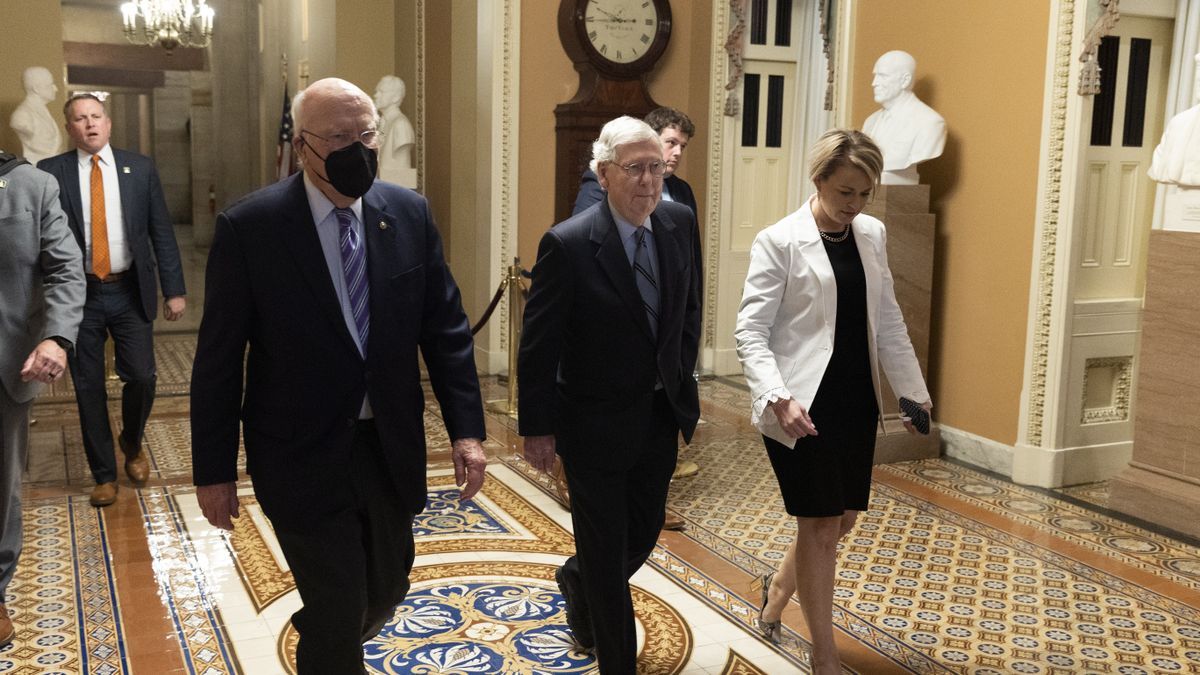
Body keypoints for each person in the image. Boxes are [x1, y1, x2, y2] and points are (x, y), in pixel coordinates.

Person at [190, 77, 487, 675]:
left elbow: (447, 331)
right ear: (302, 146)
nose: (359, 148)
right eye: (340, 137)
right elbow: (219, 359)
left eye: (367, 134)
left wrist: (467, 432)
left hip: (387, 445)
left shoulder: (408, 213)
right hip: (297, 451)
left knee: (386, 587)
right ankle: (329, 641)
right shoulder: (252, 228)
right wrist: (213, 471)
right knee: (339, 600)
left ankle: (325, 637)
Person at [734, 129, 931, 674]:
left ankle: (777, 588)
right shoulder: (779, 240)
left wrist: (912, 392)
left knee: (839, 521)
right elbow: (751, 333)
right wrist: (778, 397)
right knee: (819, 526)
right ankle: (824, 653)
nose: (855, 205)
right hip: (800, 407)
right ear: (818, 179)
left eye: (864, 193)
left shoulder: (871, 233)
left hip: (854, 400)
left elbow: (887, 317)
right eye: (845, 191)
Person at [518, 116, 702, 673]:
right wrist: (537, 426)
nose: (650, 182)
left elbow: (687, 311)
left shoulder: (677, 222)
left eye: (657, 168)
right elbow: (539, 344)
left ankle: (579, 579)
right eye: (636, 169)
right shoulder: (569, 244)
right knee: (603, 545)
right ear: (604, 174)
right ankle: (615, 660)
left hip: (656, 413)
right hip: (592, 421)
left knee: (642, 530)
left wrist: (680, 379)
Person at [37, 93, 187, 508]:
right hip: (76, 295)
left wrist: (174, 290)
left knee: (142, 376)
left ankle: (132, 441)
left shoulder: (139, 168)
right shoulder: (51, 172)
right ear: (70, 128)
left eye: (96, 117)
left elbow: (161, 232)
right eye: (81, 119)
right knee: (88, 387)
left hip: (128, 289)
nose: (90, 124)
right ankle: (104, 474)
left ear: (108, 122)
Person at [0, 149, 85, 649]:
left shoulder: (29, 185)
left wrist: (56, 337)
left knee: (0, 485)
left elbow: (65, 269)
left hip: (4, 363)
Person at [573, 106, 697, 216]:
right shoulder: (604, 179)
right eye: (672, 142)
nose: (678, 153)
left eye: (682, 146)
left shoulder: (683, 190)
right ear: (650, 140)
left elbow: (692, 240)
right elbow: (583, 233)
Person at [861, 50, 945, 185]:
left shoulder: (931, 123)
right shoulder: (870, 122)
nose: (874, 83)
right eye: (875, 76)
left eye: (882, 76)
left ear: (905, 80)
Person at [9, 67, 62, 165]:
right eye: (51, 85)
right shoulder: (21, 115)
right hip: (36, 168)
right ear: (36, 89)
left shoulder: (42, 110)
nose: (56, 89)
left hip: (51, 169)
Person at [373, 75, 417, 187]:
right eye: (376, 91)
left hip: (394, 186)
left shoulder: (401, 125)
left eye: (381, 92)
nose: (376, 95)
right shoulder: (382, 123)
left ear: (395, 97)